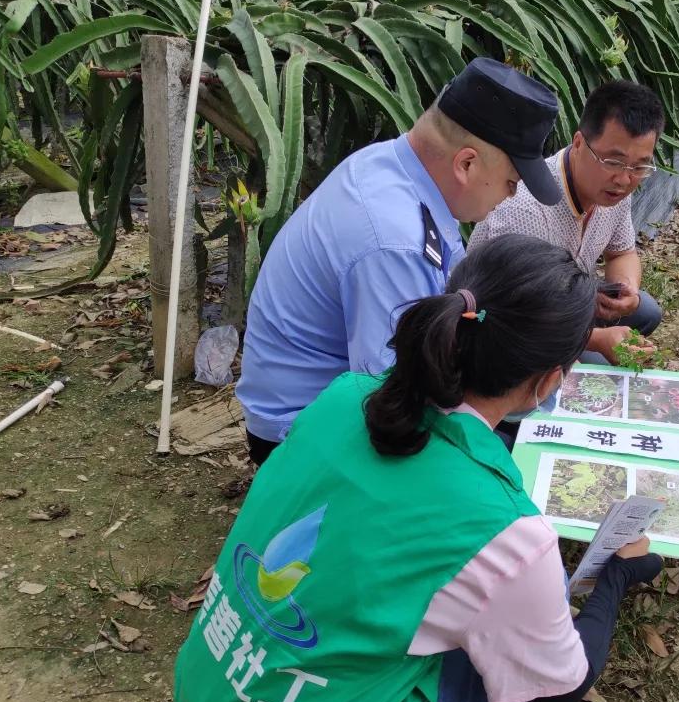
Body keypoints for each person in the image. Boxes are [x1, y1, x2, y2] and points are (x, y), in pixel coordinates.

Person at [173, 235, 663, 702]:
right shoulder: (507, 532)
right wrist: (617, 576)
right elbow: (563, 685)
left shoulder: (346, 395)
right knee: (525, 682)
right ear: (547, 383)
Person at [236, 58, 562, 466]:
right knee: (508, 456)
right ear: (466, 164)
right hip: (301, 435)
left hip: (334, 396)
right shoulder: (394, 241)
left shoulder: (395, 167)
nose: (510, 198)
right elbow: (394, 397)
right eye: (512, 183)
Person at [468, 79, 666, 365]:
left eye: (639, 167)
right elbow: (513, 316)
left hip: (560, 299)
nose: (624, 180)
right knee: (601, 370)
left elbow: (621, 252)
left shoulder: (615, 189)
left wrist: (626, 287)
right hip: (498, 324)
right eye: (613, 161)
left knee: (645, 311)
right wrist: (596, 339)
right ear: (578, 143)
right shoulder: (527, 209)